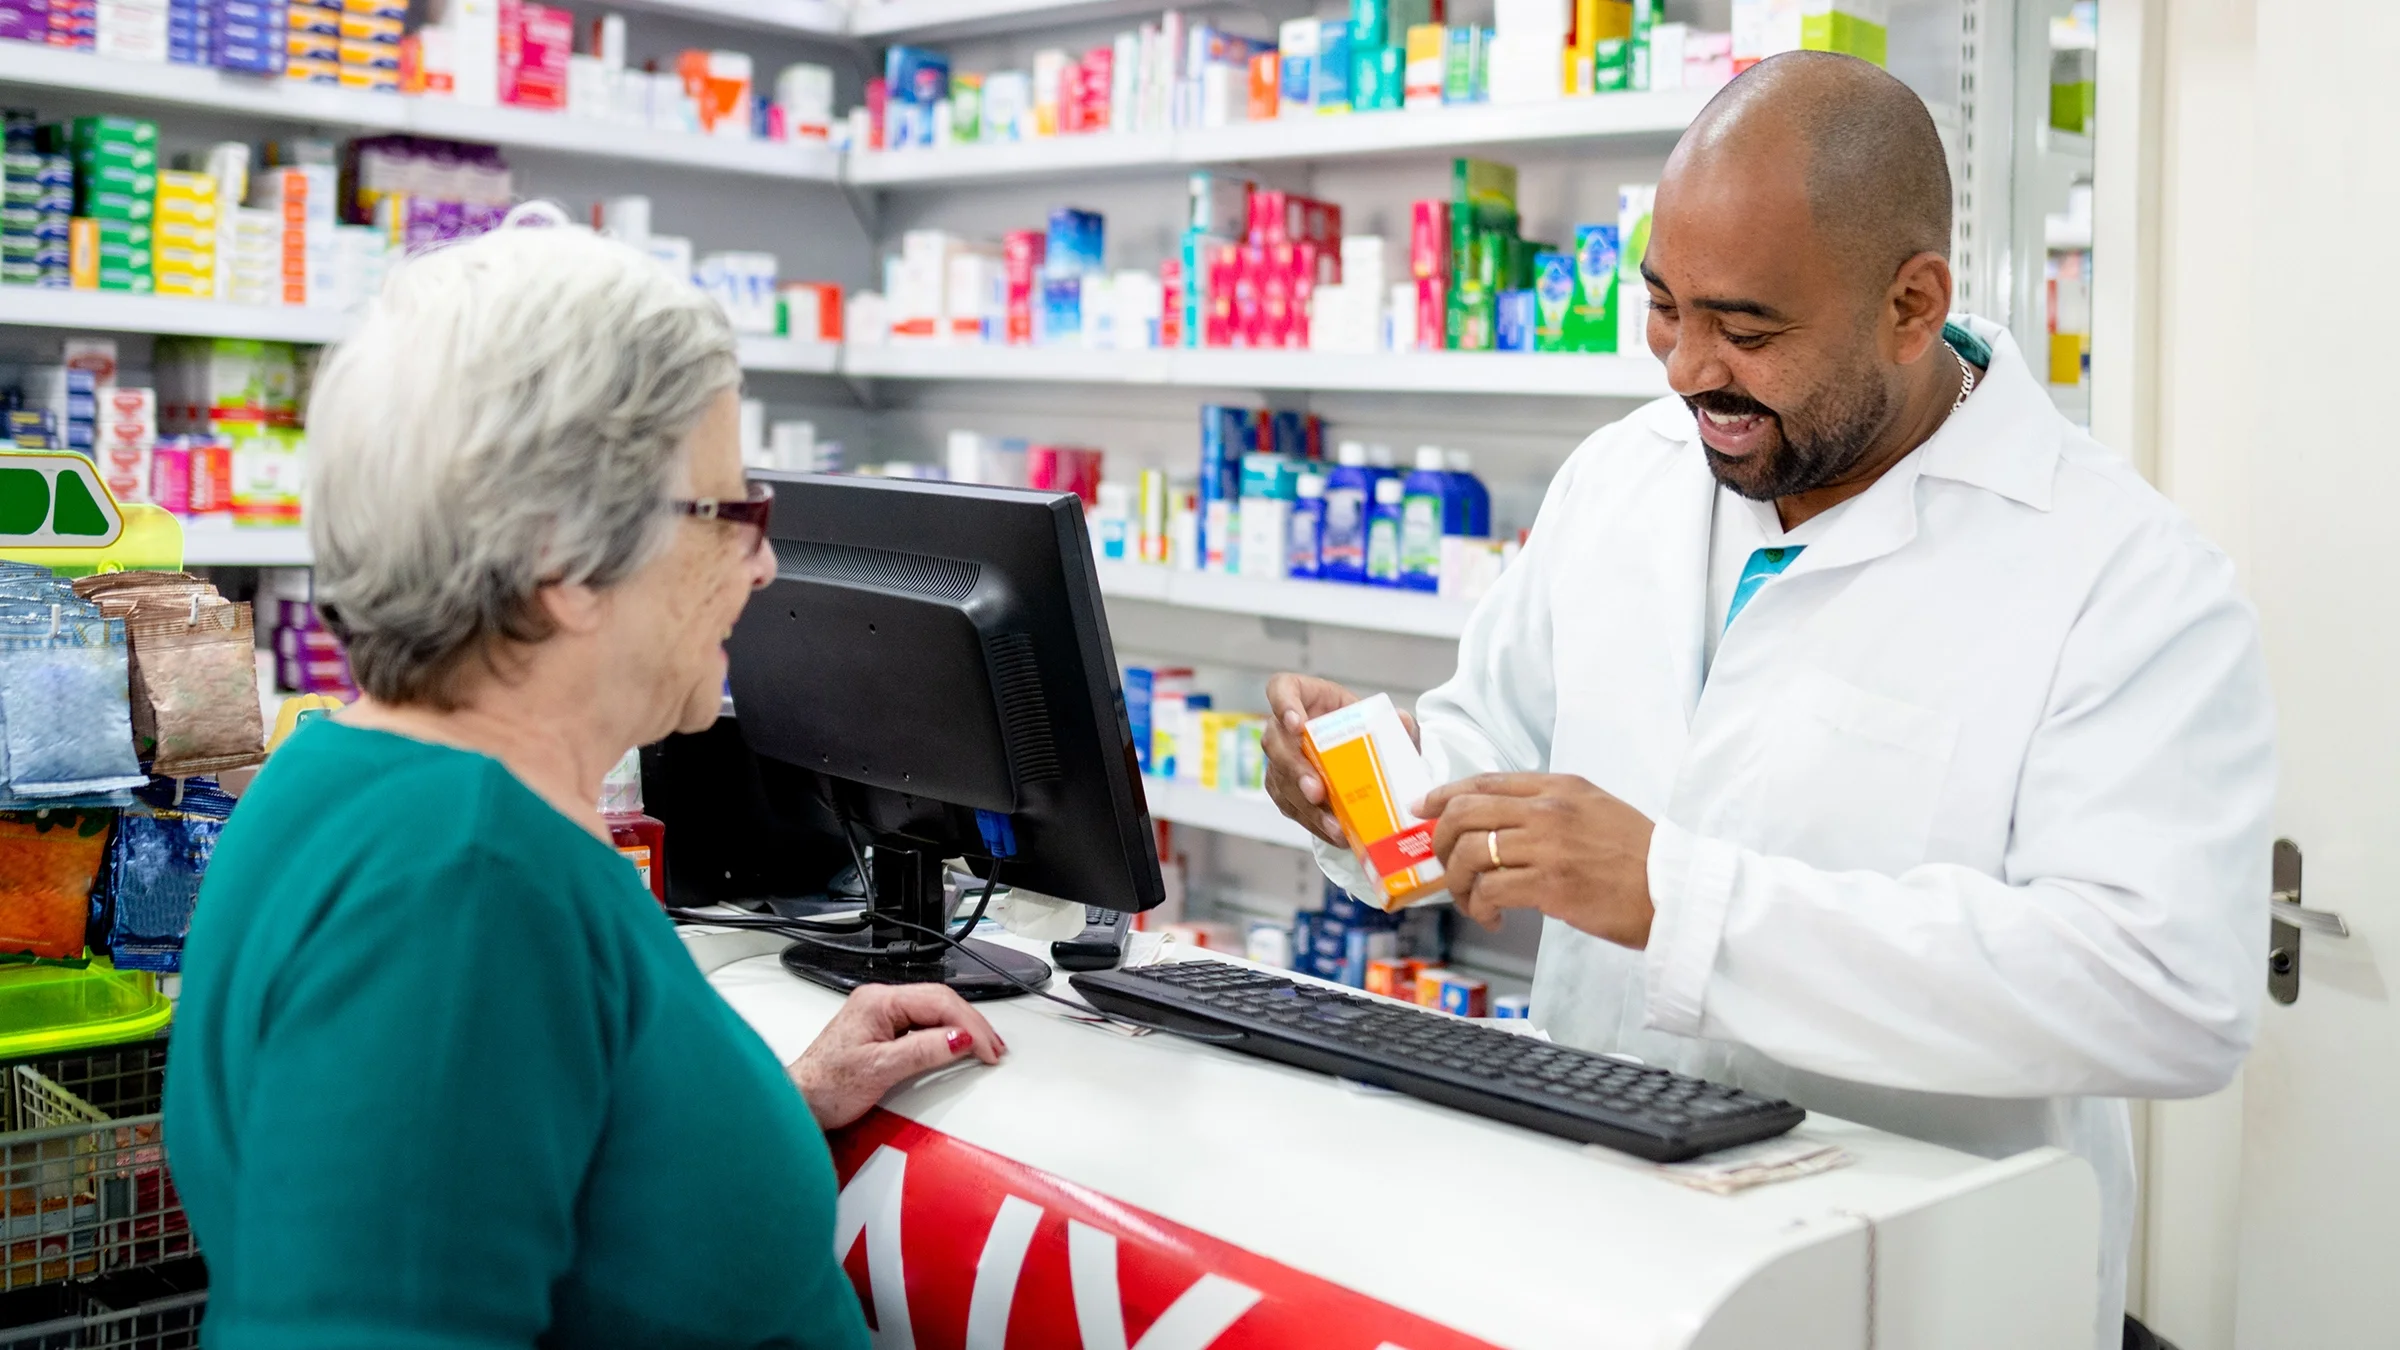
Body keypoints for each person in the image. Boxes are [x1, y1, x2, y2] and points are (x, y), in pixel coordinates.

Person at [1260, 52, 2269, 1350]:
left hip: (1909, 1291)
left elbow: (2167, 989)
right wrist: (1365, 785)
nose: (1687, 369)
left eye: (1746, 328)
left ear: (1913, 305)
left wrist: (1685, 902)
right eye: (1662, 307)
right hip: (1595, 1247)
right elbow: (1488, 747)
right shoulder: (1621, 478)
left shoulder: (2124, 574)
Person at [161, 219, 1001, 1348]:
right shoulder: (463, 887)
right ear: (562, 560)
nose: (762, 562)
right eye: (732, 514)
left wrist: (748, 1111)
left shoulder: (333, 780)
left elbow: (482, 1174)